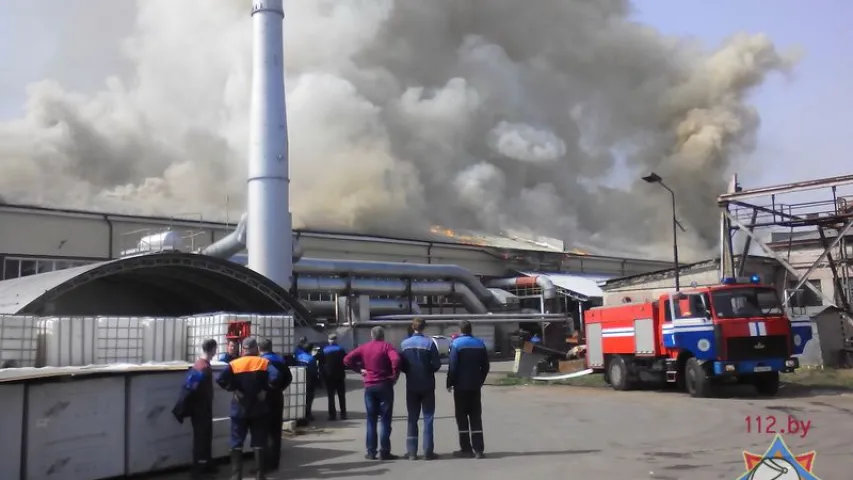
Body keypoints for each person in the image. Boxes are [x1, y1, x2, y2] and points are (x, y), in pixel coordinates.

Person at [217, 337, 279, 480]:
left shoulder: (234, 364)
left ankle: (236, 476)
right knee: (258, 441)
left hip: (239, 408)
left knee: (236, 442)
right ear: (256, 349)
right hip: (259, 408)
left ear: (243, 349)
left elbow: (220, 379)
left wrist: (234, 389)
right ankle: (260, 475)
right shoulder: (263, 362)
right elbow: (276, 377)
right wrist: (266, 389)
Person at [343, 326, 402, 461]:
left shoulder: (364, 347)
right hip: (384, 384)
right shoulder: (387, 347)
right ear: (383, 336)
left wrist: (360, 370)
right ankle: (385, 451)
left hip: (370, 386)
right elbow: (396, 360)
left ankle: (371, 452)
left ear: (371, 335)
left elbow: (347, 359)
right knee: (385, 420)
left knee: (371, 420)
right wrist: (394, 375)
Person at [172, 338, 219, 478]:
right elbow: (190, 389)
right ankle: (198, 471)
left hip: (203, 408)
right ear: (212, 350)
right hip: (200, 409)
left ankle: (207, 464)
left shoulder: (200, 365)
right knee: (201, 439)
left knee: (206, 437)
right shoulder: (202, 368)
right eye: (215, 349)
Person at [447, 320, 490, 459]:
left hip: (460, 387)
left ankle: (466, 449)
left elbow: (453, 366)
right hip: (475, 386)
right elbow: (486, 366)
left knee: (462, 418)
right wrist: (480, 380)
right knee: (476, 417)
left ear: (460, 330)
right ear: (471, 329)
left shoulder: (456, 344)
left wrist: (450, 382)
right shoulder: (480, 343)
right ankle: (479, 449)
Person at [400, 318, 442, 460]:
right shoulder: (430, 343)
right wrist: (427, 370)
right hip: (428, 384)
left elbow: (402, 364)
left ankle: (411, 452)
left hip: (412, 384)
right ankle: (428, 451)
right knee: (428, 418)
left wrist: (410, 372)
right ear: (424, 327)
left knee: (412, 418)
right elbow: (437, 364)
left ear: (413, 327)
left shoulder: (404, 344)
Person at [259, 338, 293, 472]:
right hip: (278, 396)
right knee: (275, 430)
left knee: (264, 430)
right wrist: (280, 388)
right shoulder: (280, 359)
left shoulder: (262, 361)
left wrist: (266, 389)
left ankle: (264, 464)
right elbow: (289, 377)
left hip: (265, 397)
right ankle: (274, 462)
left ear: (260, 348)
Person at [322, 333, 348, 421]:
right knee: (341, 395)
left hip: (329, 376)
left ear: (329, 340)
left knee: (331, 396)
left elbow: (320, 361)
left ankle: (332, 415)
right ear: (336, 340)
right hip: (340, 375)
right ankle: (343, 414)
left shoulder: (324, 350)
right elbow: (346, 360)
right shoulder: (341, 349)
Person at [295, 337, 319, 423]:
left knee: (301, 397)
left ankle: (300, 413)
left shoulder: (298, 355)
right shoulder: (311, 359)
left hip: (299, 378)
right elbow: (314, 372)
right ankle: (307, 414)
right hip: (309, 380)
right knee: (309, 398)